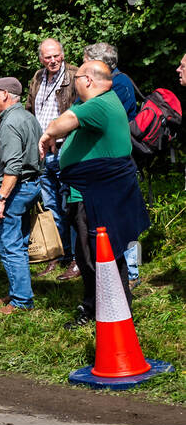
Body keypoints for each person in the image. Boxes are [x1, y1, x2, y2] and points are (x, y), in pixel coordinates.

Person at [43, 60, 150, 329]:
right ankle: (97, 305)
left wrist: (47, 134)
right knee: (86, 253)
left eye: (76, 76)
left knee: (99, 254)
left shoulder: (101, 104)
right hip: (84, 193)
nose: (73, 80)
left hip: (95, 194)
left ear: (88, 80)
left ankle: (107, 309)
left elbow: (60, 124)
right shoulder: (88, 102)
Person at [0, 77, 43, 315]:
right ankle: (18, 290)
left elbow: (13, 167)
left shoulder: (9, 123)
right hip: (30, 186)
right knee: (15, 243)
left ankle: (21, 300)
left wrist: (0, 199)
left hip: (15, 190)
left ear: (6, 95)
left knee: (9, 246)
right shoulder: (28, 117)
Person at [84, 43, 140, 282]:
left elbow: (98, 117)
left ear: (101, 65)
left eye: (86, 61)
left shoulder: (116, 84)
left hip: (117, 161)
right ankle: (123, 269)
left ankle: (131, 272)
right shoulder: (116, 82)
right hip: (112, 159)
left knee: (123, 216)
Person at [26, 38, 78, 278]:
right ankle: (58, 254)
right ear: (41, 58)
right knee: (51, 206)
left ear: (63, 54)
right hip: (43, 152)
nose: (53, 60)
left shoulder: (76, 76)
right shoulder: (37, 78)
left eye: (56, 55)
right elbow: (30, 112)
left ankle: (77, 259)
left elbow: (80, 113)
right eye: (48, 57)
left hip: (66, 149)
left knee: (72, 207)